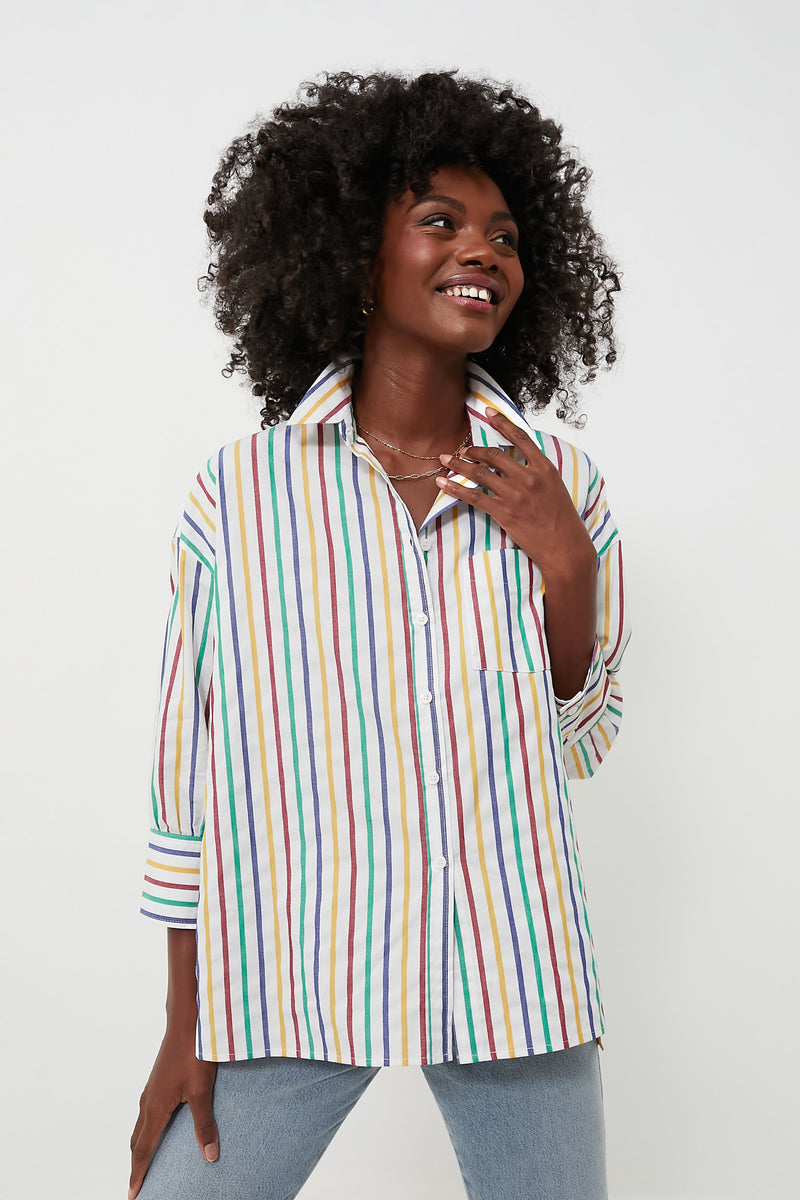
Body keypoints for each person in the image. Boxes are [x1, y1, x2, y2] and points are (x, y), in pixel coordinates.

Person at [129, 69, 630, 1200]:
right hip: (299, 970)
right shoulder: (241, 496)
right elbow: (182, 777)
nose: (483, 250)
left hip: (512, 971)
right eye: (441, 221)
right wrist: (183, 1019)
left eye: (505, 235)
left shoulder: (561, 484)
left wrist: (567, 565)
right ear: (357, 253)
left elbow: (580, 741)